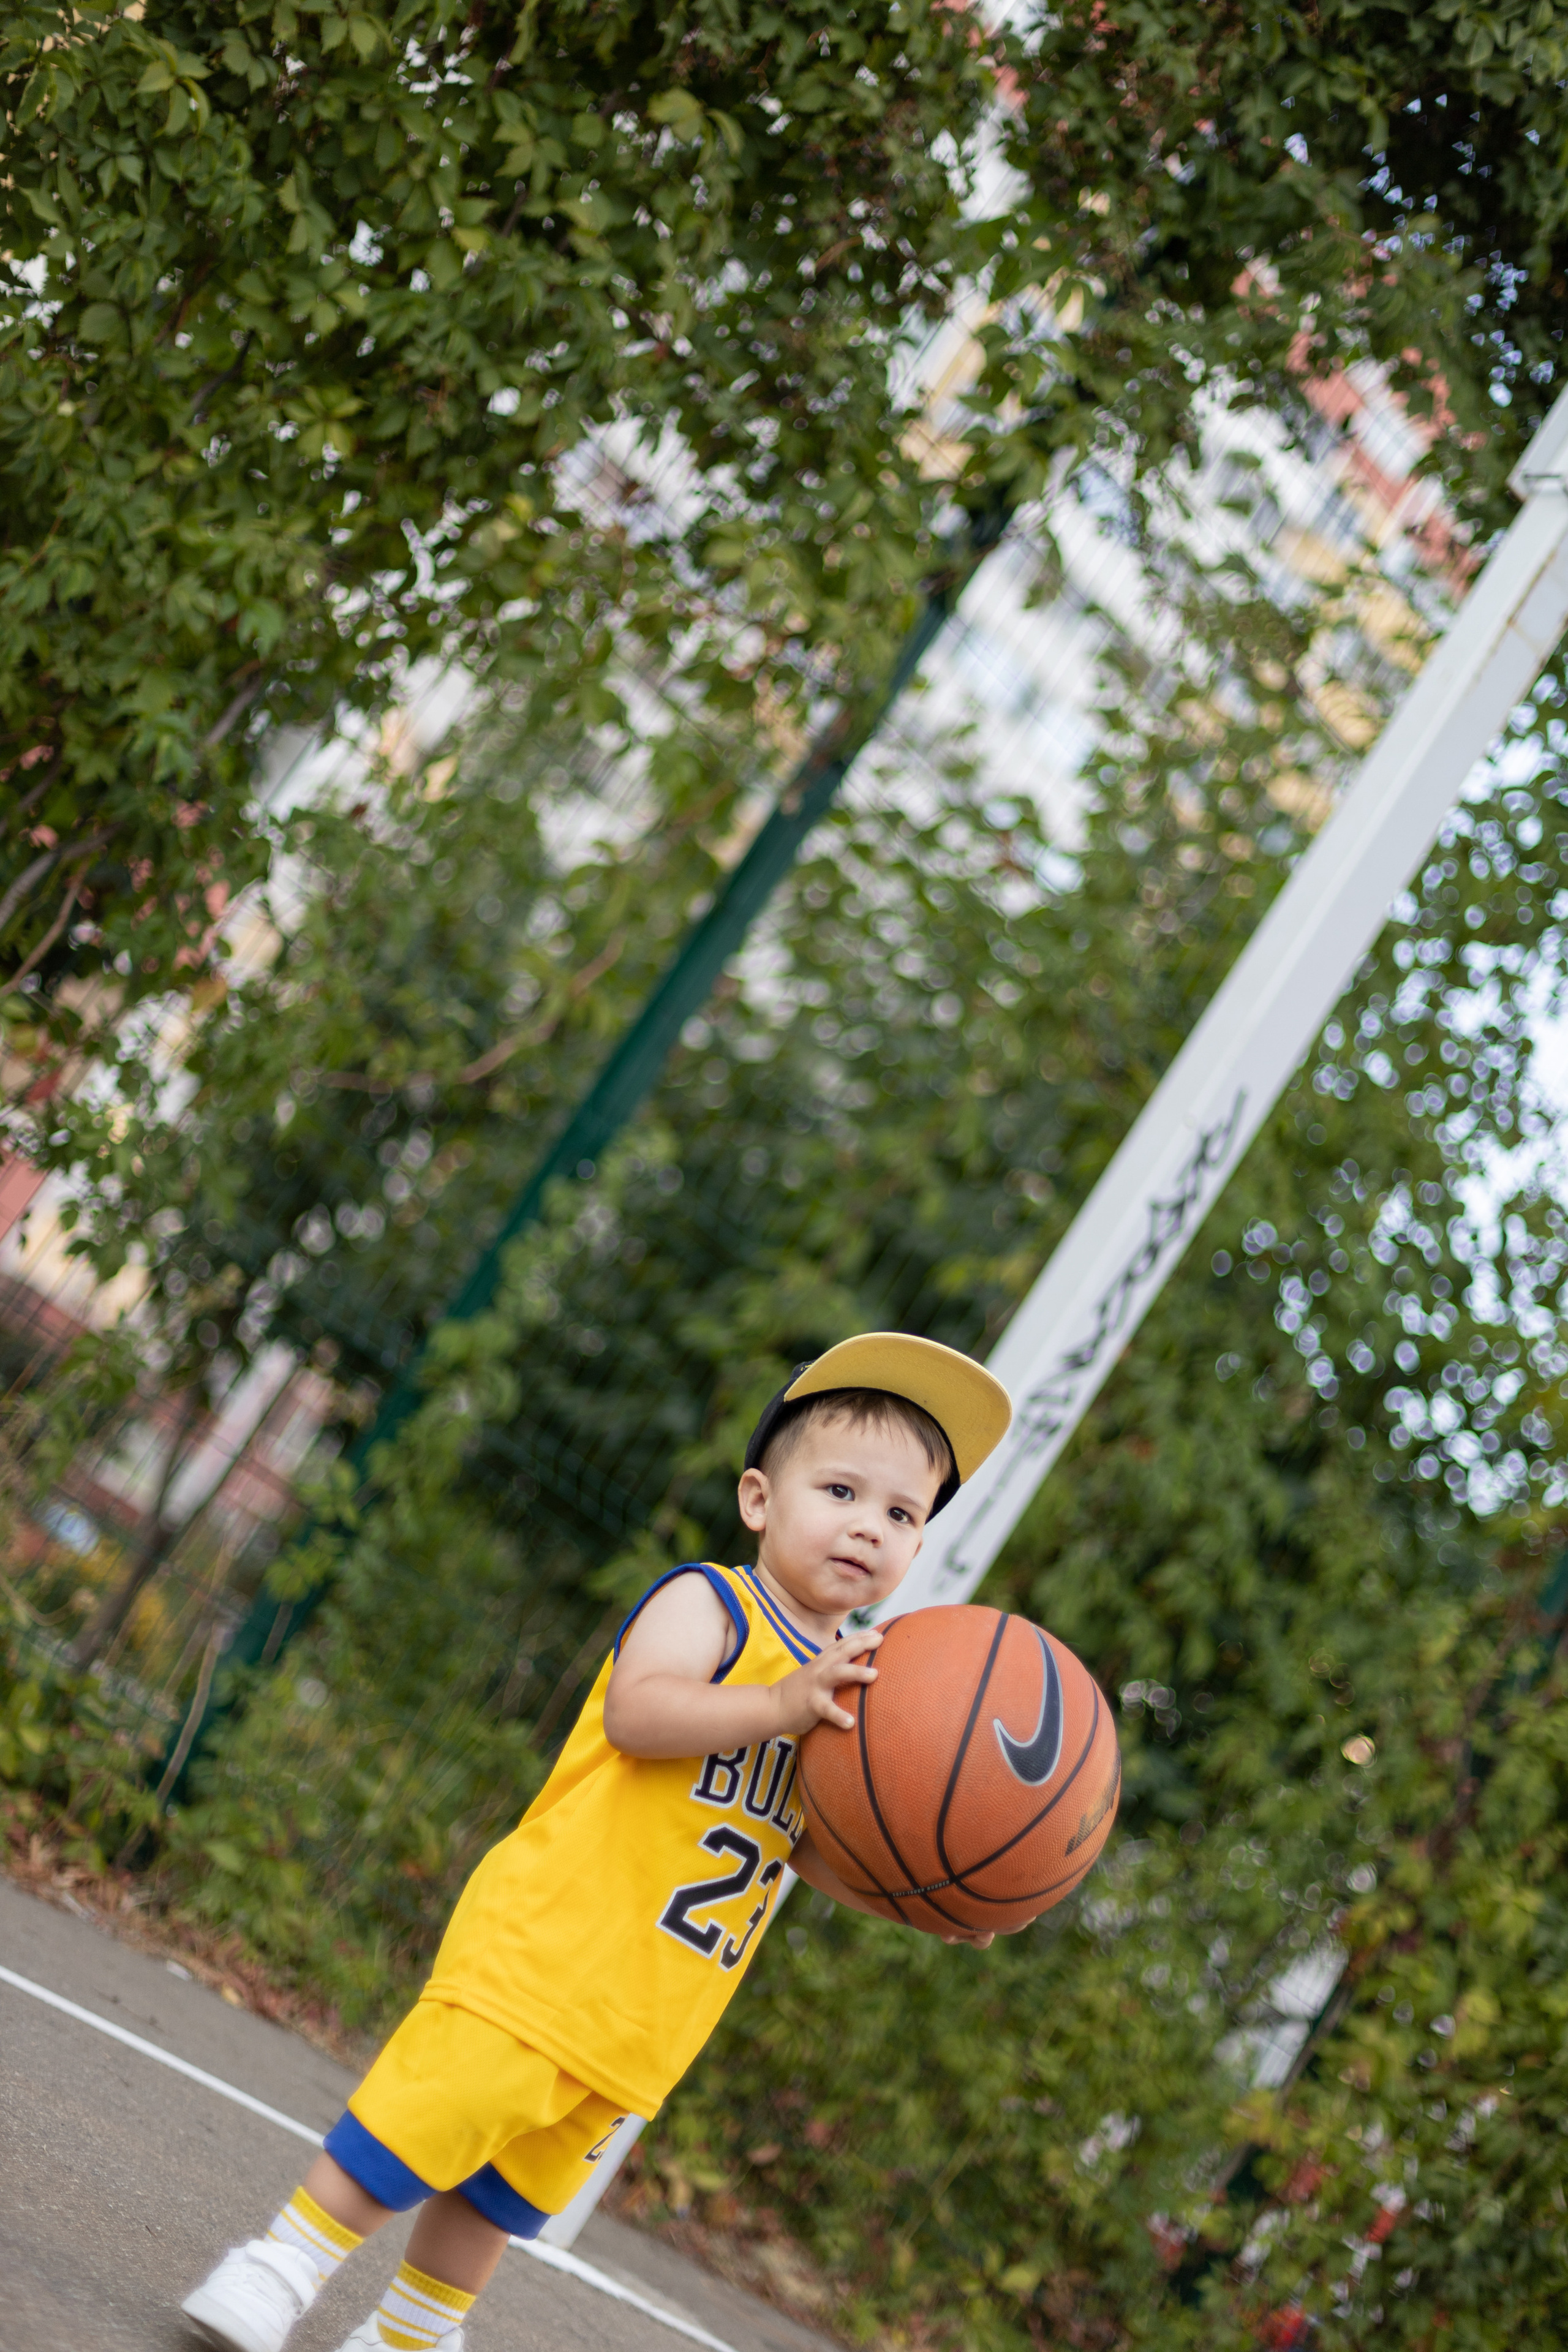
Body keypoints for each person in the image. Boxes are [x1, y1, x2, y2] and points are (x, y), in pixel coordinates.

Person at [181, 1332, 1012, 2352]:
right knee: (427, 2119)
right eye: (841, 1491)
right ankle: (280, 2266)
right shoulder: (713, 1603)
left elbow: (802, 1845)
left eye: (901, 1514)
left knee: (498, 2194)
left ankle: (410, 2338)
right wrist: (783, 1702)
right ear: (759, 1500)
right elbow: (639, 1713)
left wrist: (923, 1903)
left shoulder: (855, 1698)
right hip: (550, 1950)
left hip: (649, 2011)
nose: (867, 1526)